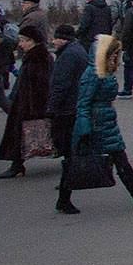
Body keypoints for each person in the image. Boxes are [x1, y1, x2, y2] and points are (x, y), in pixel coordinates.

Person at [59, 34, 133, 215]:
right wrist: (84, 129)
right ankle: (63, 199)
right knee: (81, 160)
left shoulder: (103, 71)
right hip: (96, 123)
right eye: (113, 54)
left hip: (104, 121)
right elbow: (82, 103)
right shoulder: (93, 74)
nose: (116, 57)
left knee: (118, 158)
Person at [0, 28, 52, 179]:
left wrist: (34, 108)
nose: (21, 44)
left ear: (33, 41)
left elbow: (40, 85)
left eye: (24, 40)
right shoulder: (35, 56)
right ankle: (16, 164)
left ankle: (17, 165)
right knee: (19, 134)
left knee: (19, 134)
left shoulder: (38, 58)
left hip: (29, 104)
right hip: (25, 102)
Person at [48, 24, 89, 176]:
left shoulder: (68, 55)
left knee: (66, 142)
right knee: (72, 141)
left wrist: (52, 107)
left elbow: (61, 84)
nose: (53, 42)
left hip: (68, 105)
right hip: (76, 102)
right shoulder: (76, 50)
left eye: (55, 38)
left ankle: (71, 175)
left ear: (63, 39)